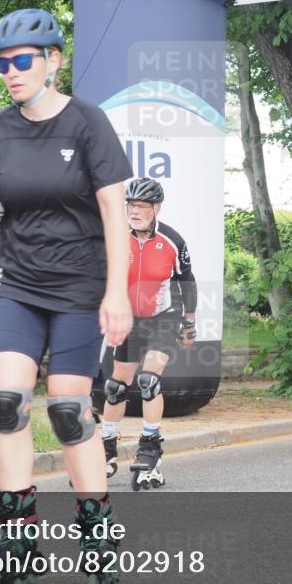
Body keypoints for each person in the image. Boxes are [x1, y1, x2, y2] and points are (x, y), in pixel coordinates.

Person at [0, 8, 134, 584]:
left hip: (80, 289)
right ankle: (18, 533)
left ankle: (97, 535)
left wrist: (117, 291)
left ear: (54, 59)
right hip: (17, 285)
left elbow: (113, 213)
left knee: (70, 412)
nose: (11, 72)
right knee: (5, 402)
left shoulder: (88, 124)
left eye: (23, 60)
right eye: (2, 63)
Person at [99, 177, 198, 490]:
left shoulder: (173, 241)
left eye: (142, 205)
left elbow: (187, 280)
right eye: (130, 205)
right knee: (115, 387)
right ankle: (106, 450)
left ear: (157, 208)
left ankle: (150, 448)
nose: (135, 211)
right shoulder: (116, 238)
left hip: (162, 319)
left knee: (148, 380)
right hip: (129, 320)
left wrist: (189, 322)